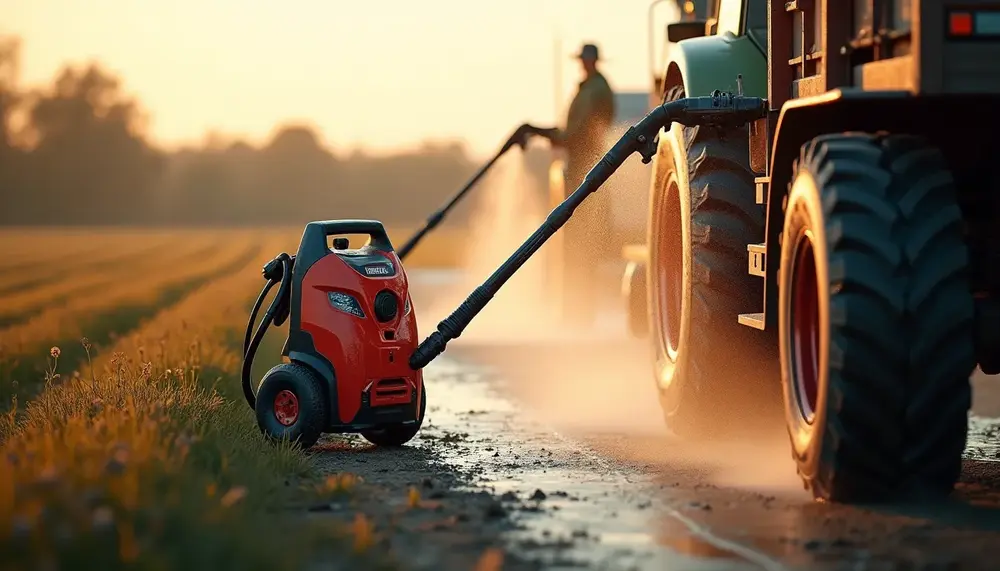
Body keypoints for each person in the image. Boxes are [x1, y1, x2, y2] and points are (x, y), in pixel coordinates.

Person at [539, 43, 616, 327]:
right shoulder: (589, 88)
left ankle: (580, 315)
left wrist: (555, 135)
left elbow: (582, 131)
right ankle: (575, 313)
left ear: (593, 61)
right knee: (576, 247)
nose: (584, 63)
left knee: (582, 247)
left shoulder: (595, 90)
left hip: (587, 173)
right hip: (580, 172)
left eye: (587, 59)